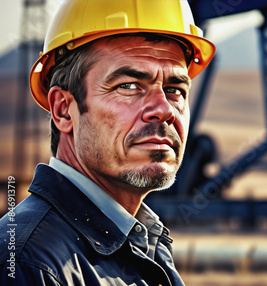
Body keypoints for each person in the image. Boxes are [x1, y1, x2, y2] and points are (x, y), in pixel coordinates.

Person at [0, 0, 215, 285]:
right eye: (128, 86)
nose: (163, 109)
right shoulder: (29, 265)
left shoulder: (145, 243)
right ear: (64, 110)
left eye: (175, 90)